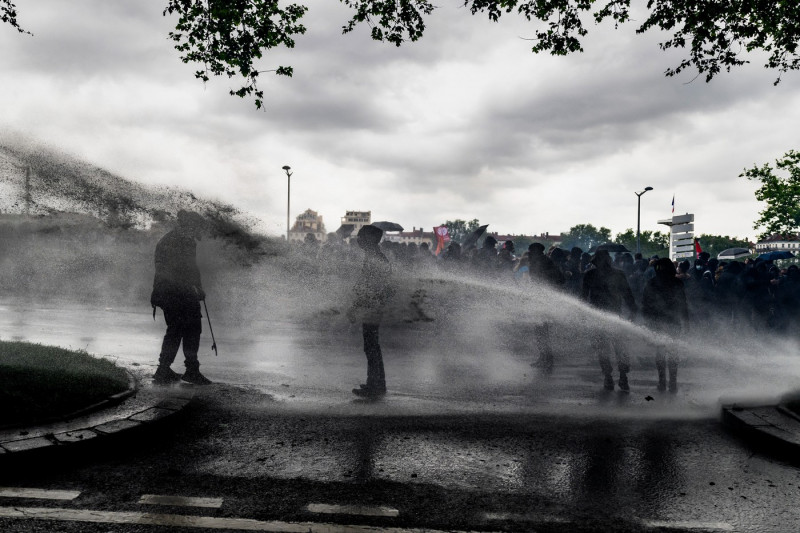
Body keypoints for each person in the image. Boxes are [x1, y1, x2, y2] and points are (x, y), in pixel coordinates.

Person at [150, 210, 212, 385]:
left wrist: (196, 287)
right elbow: (188, 268)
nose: (200, 231)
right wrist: (196, 288)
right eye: (198, 227)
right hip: (177, 292)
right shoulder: (183, 240)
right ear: (190, 225)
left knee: (177, 330)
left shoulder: (174, 238)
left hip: (169, 291)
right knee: (190, 329)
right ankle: (189, 370)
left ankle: (164, 369)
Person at [347, 224, 394, 398]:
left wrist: (355, 307)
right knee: (372, 346)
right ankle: (376, 383)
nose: (358, 240)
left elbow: (372, 287)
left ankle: (375, 385)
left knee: (371, 346)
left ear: (371, 239)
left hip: (373, 306)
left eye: (361, 236)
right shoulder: (373, 256)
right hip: (373, 305)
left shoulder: (375, 258)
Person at [581, 250, 638, 391]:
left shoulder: (591, 274)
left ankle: (614, 378)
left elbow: (583, 298)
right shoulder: (612, 274)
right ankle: (617, 377)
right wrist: (633, 310)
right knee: (614, 348)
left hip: (604, 317)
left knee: (608, 348)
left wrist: (633, 309)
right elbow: (628, 294)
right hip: (609, 317)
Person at [641, 258, 689, 392]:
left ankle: (662, 381)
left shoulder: (651, 283)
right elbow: (683, 304)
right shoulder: (677, 283)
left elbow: (645, 305)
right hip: (673, 322)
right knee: (673, 351)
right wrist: (686, 322)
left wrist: (647, 322)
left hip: (657, 322)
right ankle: (672, 382)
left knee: (660, 351)